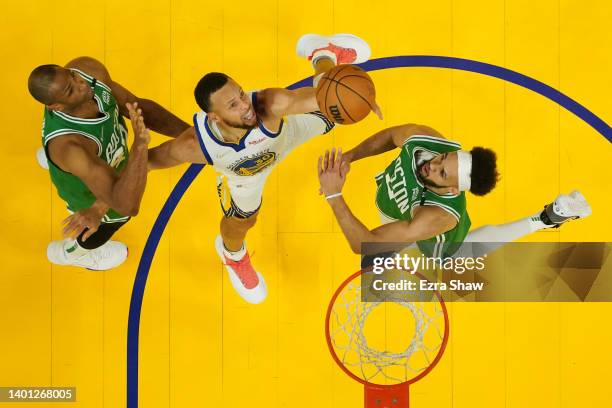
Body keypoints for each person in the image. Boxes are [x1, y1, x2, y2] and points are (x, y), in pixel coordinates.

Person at [148, 33, 380, 304]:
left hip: (286, 135)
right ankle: (233, 257)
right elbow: (148, 162)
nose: (246, 106)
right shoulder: (194, 146)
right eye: (233, 105)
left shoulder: (270, 104)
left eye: (241, 94)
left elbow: (322, 97)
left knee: (332, 107)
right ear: (214, 117)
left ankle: (322, 53)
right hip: (246, 174)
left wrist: (360, 99)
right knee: (243, 220)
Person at [317, 123, 592, 258]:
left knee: (475, 245)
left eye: (442, 173)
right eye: (441, 160)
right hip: (399, 209)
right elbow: (391, 136)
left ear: (450, 190)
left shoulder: (438, 216)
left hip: (431, 247)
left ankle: (546, 219)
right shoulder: (429, 142)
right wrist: (349, 157)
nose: (432, 166)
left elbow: (364, 246)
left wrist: (334, 195)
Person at [29, 56, 190, 270]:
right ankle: (73, 254)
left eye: (72, 75)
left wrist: (190, 133)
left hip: (96, 156)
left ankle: (54, 162)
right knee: (105, 223)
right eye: (71, 90)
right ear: (56, 106)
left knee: (105, 164)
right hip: (86, 189)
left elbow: (137, 106)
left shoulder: (87, 69)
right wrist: (139, 148)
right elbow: (125, 204)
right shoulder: (70, 147)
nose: (81, 83)